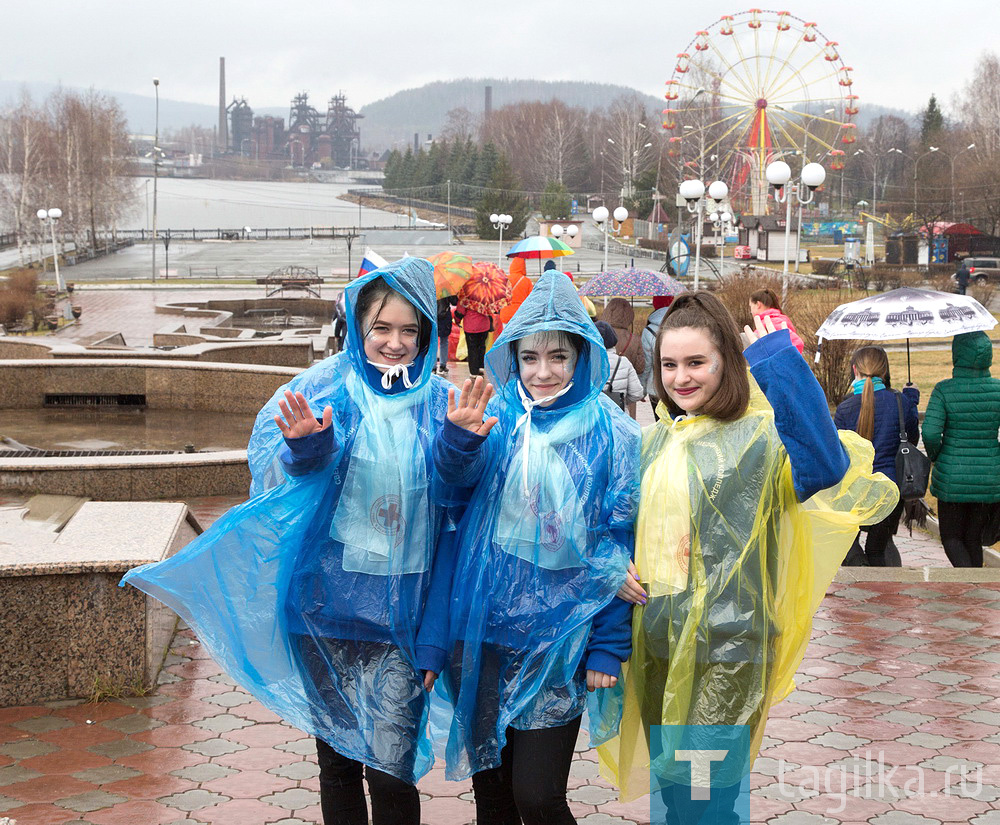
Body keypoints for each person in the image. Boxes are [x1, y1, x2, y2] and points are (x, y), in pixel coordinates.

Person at [123, 257, 463, 825]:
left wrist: (462, 445)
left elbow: (458, 510)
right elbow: (283, 492)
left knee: (391, 768)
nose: (395, 343)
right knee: (337, 764)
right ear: (356, 328)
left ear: (427, 333)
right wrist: (308, 449)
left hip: (403, 620)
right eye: (381, 327)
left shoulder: (442, 407)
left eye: (410, 329)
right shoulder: (324, 393)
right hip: (322, 612)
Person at [594, 292, 898, 822]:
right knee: (675, 795)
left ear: (726, 364)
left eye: (696, 363)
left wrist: (779, 364)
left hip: (729, 650)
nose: (681, 377)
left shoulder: (760, 438)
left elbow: (825, 464)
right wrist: (610, 565)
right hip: (658, 643)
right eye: (669, 364)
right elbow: (616, 528)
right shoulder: (656, 443)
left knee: (706, 800)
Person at [422, 270, 641, 825]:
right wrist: (458, 440)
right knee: (492, 798)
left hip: (559, 641)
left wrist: (609, 644)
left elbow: (621, 545)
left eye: (558, 357)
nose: (543, 372)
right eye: (530, 358)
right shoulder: (496, 422)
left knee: (538, 797)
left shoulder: (611, 434)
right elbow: (450, 497)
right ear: (512, 359)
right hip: (483, 636)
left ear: (582, 356)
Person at [834, 346, 919, 567]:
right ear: (885, 371)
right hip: (891, 490)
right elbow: (911, 441)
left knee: (847, 545)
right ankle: (883, 592)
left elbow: (838, 453)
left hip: (855, 491)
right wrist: (911, 401)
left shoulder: (845, 409)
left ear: (855, 370)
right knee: (878, 548)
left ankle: (861, 575)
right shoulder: (901, 402)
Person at [922, 331, 1000, 568]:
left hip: (952, 478)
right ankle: (975, 587)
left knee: (951, 537)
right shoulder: (998, 390)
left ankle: (969, 583)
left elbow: (930, 433)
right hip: (989, 477)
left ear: (957, 354)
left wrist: (936, 456)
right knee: (973, 538)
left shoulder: (944, 390)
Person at [595, 320, 644, 419]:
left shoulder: (587, 363)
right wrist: (623, 399)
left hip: (593, 419)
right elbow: (637, 393)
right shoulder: (623, 362)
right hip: (619, 418)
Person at [640, 296, 674, 418]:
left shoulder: (648, 330)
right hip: (677, 383)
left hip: (656, 387)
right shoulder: (681, 324)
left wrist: (642, 389)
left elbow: (647, 364)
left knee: (660, 424)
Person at [600, 297, 646, 379]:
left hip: (601, 384)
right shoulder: (635, 339)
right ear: (630, 315)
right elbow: (640, 369)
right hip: (625, 385)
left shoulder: (598, 335)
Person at [748, 287, 805, 354]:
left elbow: (797, 343)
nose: (751, 311)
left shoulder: (772, 324)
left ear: (758, 304)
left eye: (750, 306)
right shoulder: (780, 320)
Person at [455, 295, 492, 377]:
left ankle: (474, 371)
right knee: (482, 346)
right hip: (484, 325)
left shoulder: (465, 294)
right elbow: (492, 309)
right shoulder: (487, 293)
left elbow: (460, 311)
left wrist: (457, 320)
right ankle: (481, 367)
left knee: (472, 348)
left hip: (471, 326)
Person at [436, 295, 457, 375]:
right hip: (444, 316)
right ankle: (442, 365)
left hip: (433, 315)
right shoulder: (446, 288)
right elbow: (454, 302)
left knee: (433, 341)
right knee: (444, 341)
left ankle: (432, 366)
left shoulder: (429, 286)